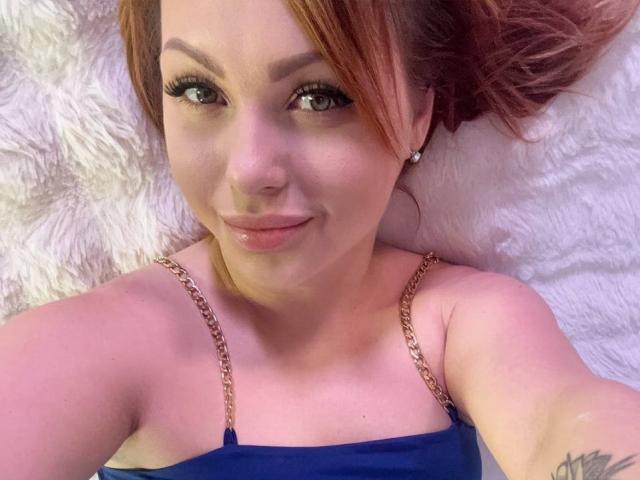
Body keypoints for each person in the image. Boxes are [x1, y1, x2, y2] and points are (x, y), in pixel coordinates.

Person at [1, 0, 639, 479]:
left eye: (318, 97)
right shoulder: (112, 339)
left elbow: (564, 419)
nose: (249, 170)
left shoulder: (458, 323)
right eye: (199, 90)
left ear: (418, 115)